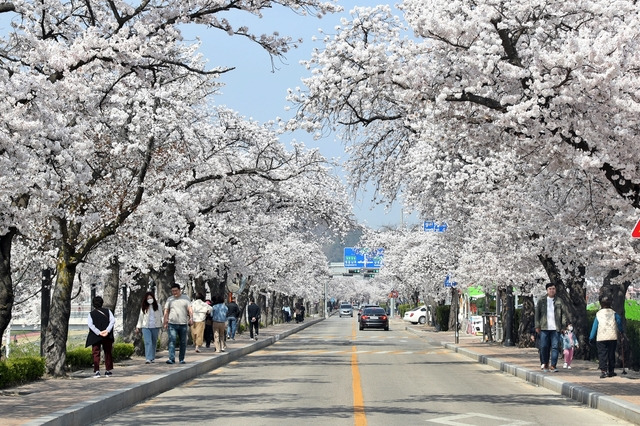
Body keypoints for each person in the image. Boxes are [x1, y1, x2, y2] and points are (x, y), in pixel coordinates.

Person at [534, 283, 568, 373]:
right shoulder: (541, 300)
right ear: (547, 290)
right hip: (544, 327)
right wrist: (537, 325)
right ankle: (545, 363)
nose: (552, 290)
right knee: (544, 346)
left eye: (553, 288)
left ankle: (553, 365)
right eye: (550, 289)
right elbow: (537, 314)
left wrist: (563, 326)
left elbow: (564, 314)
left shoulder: (559, 301)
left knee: (555, 347)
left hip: (556, 328)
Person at [590, 296, 623, 378]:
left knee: (602, 354)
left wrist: (591, 337)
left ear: (601, 304)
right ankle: (611, 371)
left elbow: (594, 327)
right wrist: (621, 331)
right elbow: (619, 322)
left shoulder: (598, 314)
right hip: (612, 336)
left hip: (601, 337)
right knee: (611, 354)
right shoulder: (614, 313)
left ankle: (603, 371)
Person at [85, 296, 116, 378]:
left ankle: (97, 371)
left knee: (96, 353)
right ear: (102, 303)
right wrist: (107, 331)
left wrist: (99, 332)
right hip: (107, 335)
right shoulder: (108, 311)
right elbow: (112, 321)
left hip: (95, 336)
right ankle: (108, 370)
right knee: (108, 352)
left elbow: (90, 325)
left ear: (93, 304)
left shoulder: (91, 314)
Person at [163, 284, 193, 364]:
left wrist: (191, 318)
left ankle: (181, 359)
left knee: (183, 342)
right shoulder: (170, 299)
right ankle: (171, 358)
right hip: (172, 323)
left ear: (180, 290)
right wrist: (165, 321)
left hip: (183, 323)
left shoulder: (186, 298)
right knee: (172, 340)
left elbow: (190, 309)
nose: (174, 292)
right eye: (173, 291)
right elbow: (166, 311)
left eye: (176, 290)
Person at [136, 291, 163, 364]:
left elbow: (161, 315)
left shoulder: (158, 306)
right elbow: (140, 317)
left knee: (154, 342)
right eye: (148, 298)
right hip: (146, 327)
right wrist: (138, 327)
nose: (149, 299)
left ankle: (152, 357)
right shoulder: (144, 307)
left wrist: (164, 323)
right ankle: (148, 358)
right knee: (148, 342)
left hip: (155, 326)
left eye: (151, 298)